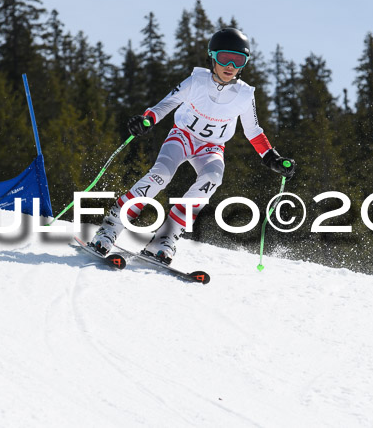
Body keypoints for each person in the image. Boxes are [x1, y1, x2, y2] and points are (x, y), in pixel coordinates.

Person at [90, 27, 296, 264]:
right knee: (161, 175)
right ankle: (110, 227)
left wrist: (272, 157)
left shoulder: (244, 94)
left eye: (238, 60)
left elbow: (253, 131)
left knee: (212, 179)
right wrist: (148, 120)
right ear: (212, 57)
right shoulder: (196, 81)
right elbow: (167, 104)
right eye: (224, 58)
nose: (230, 65)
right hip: (183, 136)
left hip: (212, 147)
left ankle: (165, 238)